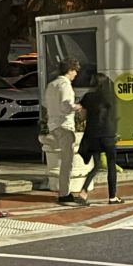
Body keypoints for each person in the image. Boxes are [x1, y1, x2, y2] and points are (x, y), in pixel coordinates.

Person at [77, 73, 124, 205]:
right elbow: (114, 117)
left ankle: (83, 192)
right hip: (108, 135)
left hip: (93, 136)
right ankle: (112, 197)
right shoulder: (111, 97)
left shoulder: (88, 97)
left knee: (96, 165)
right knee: (111, 165)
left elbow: (82, 116)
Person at [44, 57, 83, 206]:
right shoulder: (65, 85)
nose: (76, 74)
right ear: (69, 70)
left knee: (64, 161)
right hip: (64, 126)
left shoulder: (51, 85)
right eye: (75, 71)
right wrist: (77, 107)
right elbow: (66, 106)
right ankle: (64, 194)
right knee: (67, 162)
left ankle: (64, 192)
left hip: (53, 125)